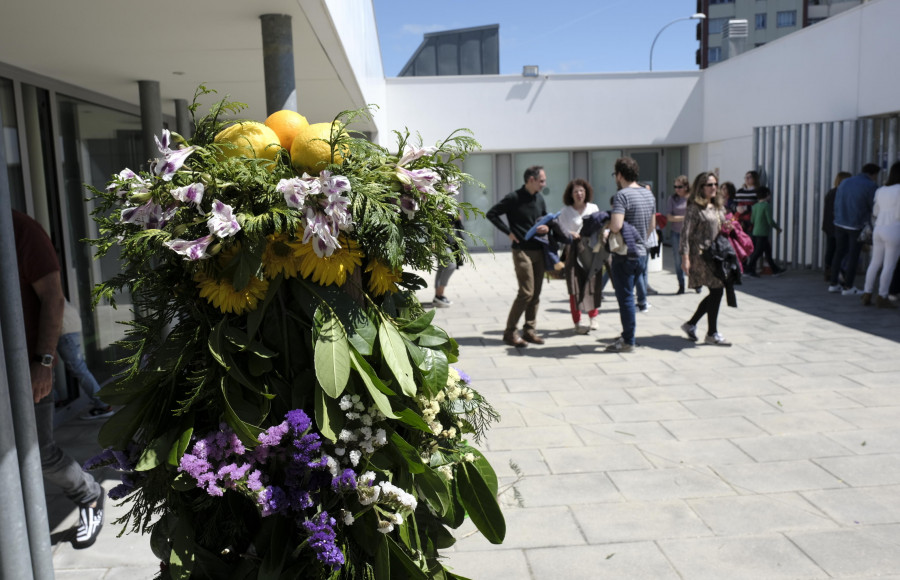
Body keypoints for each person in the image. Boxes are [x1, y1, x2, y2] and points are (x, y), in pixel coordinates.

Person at [13, 209, 105, 549]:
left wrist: (44, 362)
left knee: (38, 453)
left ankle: (90, 493)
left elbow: (53, 297)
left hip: (26, 367)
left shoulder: (22, 231)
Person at [487, 166, 550, 347]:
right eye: (541, 180)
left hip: (539, 249)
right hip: (521, 250)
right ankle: (510, 332)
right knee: (526, 292)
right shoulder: (513, 198)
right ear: (531, 179)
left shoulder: (539, 198)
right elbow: (491, 214)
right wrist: (509, 232)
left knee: (536, 293)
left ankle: (529, 330)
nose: (544, 184)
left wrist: (547, 227)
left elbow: (545, 218)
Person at [605, 157, 656, 353]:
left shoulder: (622, 196)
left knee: (625, 298)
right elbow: (651, 226)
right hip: (642, 253)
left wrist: (606, 226)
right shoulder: (648, 195)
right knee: (630, 295)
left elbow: (617, 225)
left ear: (619, 175)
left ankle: (628, 340)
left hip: (625, 254)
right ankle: (628, 334)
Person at [679, 172, 733, 346]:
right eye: (709, 184)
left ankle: (692, 324)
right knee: (717, 290)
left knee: (716, 290)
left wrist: (727, 226)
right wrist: (685, 258)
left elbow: (721, 227)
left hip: (717, 255)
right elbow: (685, 234)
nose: (714, 187)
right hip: (702, 256)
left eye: (715, 184)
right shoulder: (695, 208)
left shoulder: (718, 206)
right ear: (701, 187)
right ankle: (711, 333)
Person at [828, 163, 882, 295]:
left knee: (839, 253)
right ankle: (848, 287)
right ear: (873, 174)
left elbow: (837, 202)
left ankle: (833, 284)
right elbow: (873, 207)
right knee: (853, 255)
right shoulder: (871, 185)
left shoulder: (845, 182)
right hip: (856, 225)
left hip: (839, 223)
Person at [558, 178, 601, 333]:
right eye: (575, 191)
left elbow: (600, 227)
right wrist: (570, 233)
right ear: (571, 194)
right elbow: (560, 231)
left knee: (591, 284)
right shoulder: (565, 211)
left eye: (581, 190)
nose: (579, 194)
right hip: (572, 250)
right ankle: (577, 321)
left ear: (586, 192)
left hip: (590, 250)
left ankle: (593, 317)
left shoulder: (593, 208)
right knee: (574, 286)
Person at [57, 300, 114, 419]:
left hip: (64, 326)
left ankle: (102, 405)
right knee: (78, 368)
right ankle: (102, 404)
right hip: (67, 324)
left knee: (78, 368)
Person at [862, 161, 900, 308]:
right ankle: (882, 296)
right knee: (889, 265)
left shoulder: (881, 190)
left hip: (879, 228)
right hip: (894, 229)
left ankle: (867, 293)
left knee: (875, 263)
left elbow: (876, 212)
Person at [745, 186, 785, 277]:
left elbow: (752, 220)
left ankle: (775, 269)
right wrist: (778, 228)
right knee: (758, 252)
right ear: (767, 195)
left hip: (755, 232)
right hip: (763, 233)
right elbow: (770, 220)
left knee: (767, 251)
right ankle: (749, 269)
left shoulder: (755, 206)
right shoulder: (766, 205)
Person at [822, 171, 852, 282]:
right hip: (838, 226)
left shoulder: (831, 192)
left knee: (831, 249)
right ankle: (838, 273)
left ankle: (828, 272)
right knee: (840, 251)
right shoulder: (842, 193)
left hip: (829, 225)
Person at [666, 175, 691, 294]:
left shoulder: (692, 198)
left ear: (686, 186)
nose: (677, 189)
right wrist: (684, 218)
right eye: (675, 187)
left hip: (691, 234)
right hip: (676, 233)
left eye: (680, 187)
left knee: (693, 259)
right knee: (678, 260)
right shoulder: (672, 199)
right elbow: (669, 217)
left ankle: (695, 282)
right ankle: (681, 285)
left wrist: (679, 218)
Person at [433, 216, 464, 308]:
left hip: (450, 241)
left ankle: (438, 296)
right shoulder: (438, 204)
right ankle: (439, 293)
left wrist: (457, 219)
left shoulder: (453, 206)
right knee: (451, 265)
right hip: (440, 241)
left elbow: (460, 226)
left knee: (442, 267)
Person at [735, 170, 760, 234]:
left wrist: (747, 208)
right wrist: (736, 208)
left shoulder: (757, 191)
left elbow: (759, 206)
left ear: (755, 178)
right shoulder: (739, 191)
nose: (747, 179)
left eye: (749, 177)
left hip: (751, 219)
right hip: (739, 218)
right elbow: (734, 203)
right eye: (746, 177)